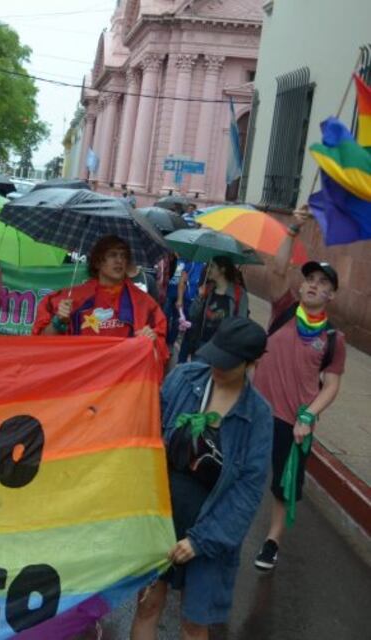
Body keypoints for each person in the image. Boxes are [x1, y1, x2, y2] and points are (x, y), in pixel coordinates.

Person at [131, 317, 272, 640]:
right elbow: (146, 430)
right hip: (162, 517)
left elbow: (248, 492)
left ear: (252, 363)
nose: (216, 368)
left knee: (194, 624)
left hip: (210, 532)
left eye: (228, 363)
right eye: (215, 357)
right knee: (148, 605)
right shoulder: (184, 379)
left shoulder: (257, 416)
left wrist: (201, 540)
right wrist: (140, 357)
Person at [252, 208, 346, 572]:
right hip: (257, 408)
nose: (314, 286)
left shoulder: (333, 338)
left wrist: (309, 414)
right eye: (311, 279)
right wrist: (292, 229)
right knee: (239, 468)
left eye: (324, 284)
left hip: (293, 422)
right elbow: (277, 269)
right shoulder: (284, 309)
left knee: (282, 485)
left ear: (332, 295)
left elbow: (333, 384)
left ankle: (272, 541)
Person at [32, 235, 167, 363]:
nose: (119, 260)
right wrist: (58, 321)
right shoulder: (71, 299)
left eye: (123, 255)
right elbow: (41, 346)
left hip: (124, 381)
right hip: (82, 380)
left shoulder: (143, 303)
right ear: (97, 262)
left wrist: (152, 340)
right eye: (112, 255)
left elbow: (159, 356)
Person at [178, 256, 248, 362]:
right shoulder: (208, 288)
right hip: (202, 345)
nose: (208, 269)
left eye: (212, 266)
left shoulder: (239, 294)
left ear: (222, 269)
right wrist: (200, 298)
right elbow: (193, 314)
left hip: (222, 349)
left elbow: (241, 323)